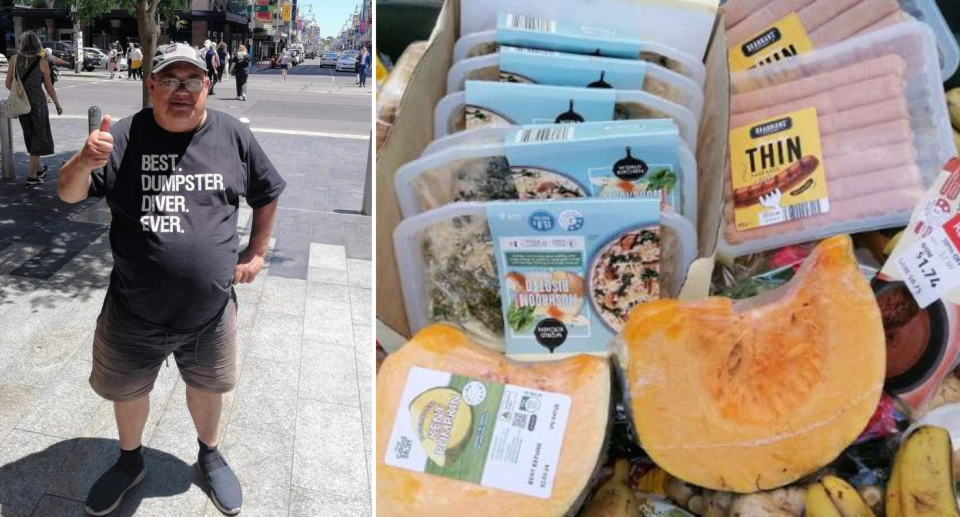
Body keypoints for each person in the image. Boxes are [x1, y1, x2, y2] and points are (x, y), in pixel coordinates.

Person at [56, 42, 285, 516]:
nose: (182, 90)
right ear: (152, 84)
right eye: (171, 79)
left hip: (210, 312)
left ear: (207, 84)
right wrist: (83, 161)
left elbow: (267, 192)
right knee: (128, 390)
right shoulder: (121, 137)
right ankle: (129, 461)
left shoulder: (232, 136)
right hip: (132, 309)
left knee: (207, 386)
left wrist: (256, 251)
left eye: (193, 80)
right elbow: (68, 194)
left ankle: (210, 455)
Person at [5, 32, 62, 186]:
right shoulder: (42, 61)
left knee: (29, 135)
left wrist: (20, 93)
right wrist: (57, 104)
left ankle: (39, 168)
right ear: (37, 44)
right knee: (38, 137)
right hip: (38, 103)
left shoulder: (14, 59)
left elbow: (8, 83)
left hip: (22, 104)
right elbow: (49, 88)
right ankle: (31, 176)